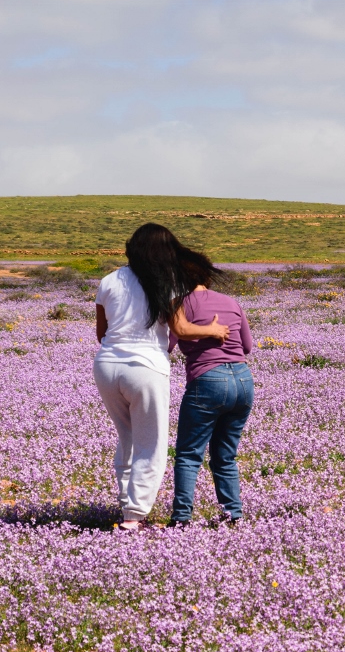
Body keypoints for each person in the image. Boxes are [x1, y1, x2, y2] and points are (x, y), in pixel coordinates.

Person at [94, 223, 229, 531]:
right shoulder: (166, 280)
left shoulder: (109, 281)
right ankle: (134, 516)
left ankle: (126, 504)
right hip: (146, 367)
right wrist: (213, 329)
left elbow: (102, 333)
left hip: (106, 366)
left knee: (127, 436)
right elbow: (181, 329)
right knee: (151, 443)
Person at [167, 274, 254, 528]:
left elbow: (167, 344)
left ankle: (181, 519)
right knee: (225, 456)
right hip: (243, 381)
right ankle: (234, 516)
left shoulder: (179, 304)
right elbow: (247, 346)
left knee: (188, 454)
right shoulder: (231, 302)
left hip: (207, 380)